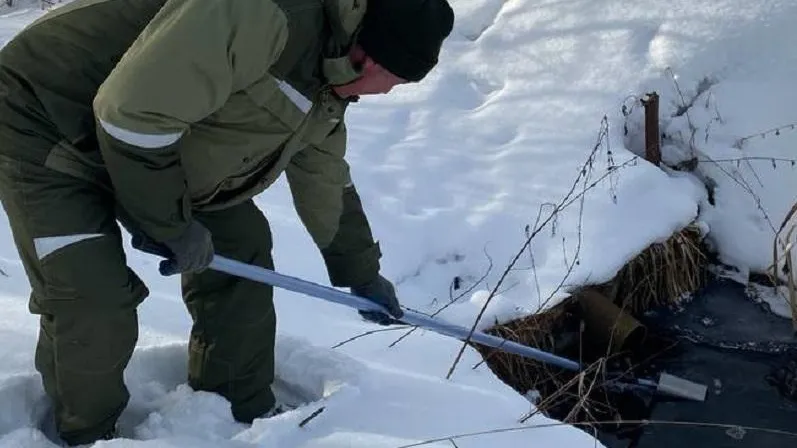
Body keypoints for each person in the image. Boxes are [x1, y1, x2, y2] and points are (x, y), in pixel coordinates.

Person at [0, 0, 455, 444]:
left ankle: (234, 406)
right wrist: (171, 225)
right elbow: (131, 114)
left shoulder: (329, 79)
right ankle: (89, 434)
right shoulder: (264, 16)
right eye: (395, 82)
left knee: (243, 245)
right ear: (371, 57)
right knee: (91, 293)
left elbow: (325, 178)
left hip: (155, 145)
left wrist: (362, 273)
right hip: (45, 119)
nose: (391, 93)